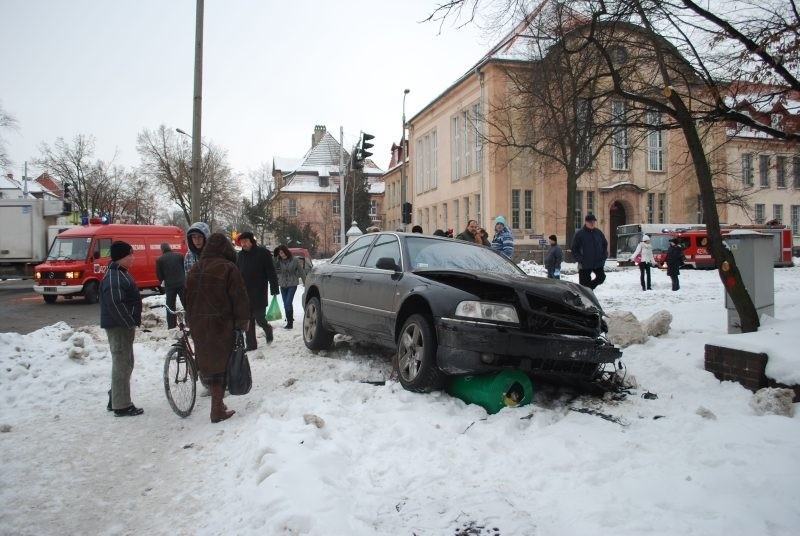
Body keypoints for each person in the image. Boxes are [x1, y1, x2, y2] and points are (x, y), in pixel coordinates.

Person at [185, 233, 250, 423]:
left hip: (199, 324)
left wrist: (191, 320)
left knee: (208, 363)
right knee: (222, 366)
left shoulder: (195, 269)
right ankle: (216, 410)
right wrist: (242, 322)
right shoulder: (228, 268)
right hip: (222, 324)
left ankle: (218, 404)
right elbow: (239, 298)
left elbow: (187, 298)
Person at [100, 241, 144, 417]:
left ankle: (116, 397)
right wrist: (128, 322)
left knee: (125, 363)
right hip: (119, 327)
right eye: (130, 255)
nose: (133, 257)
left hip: (121, 326)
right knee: (122, 364)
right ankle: (121, 405)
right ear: (121, 257)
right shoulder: (115, 277)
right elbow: (115, 304)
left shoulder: (119, 274)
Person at [236, 231, 279, 350]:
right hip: (244, 293)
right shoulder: (240, 256)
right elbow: (237, 273)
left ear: (251, 241)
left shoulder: (263, 253)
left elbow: (271, 271)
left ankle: (267, 328)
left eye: (245, 241)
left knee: (260, 318)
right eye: (242, 242)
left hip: (259, 291)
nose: (243, 244)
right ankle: (251, 345)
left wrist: (274, 288)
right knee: (248, 320)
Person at [571, 214, 608, 290]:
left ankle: (589, 290)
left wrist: (604, 256)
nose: (592, 223)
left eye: (594, 221)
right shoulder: (579, 234)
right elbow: (574, 248)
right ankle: (585, 294)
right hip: (585, 263)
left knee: (601, 277)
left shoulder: (598, 232)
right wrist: (580, 259)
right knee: (584, 284)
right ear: (586, 222)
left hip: (598, 262)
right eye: (590, 222)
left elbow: (604, 244)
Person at [273, 245, 306, 330]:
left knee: (288, 303)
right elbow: (274, 269)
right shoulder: (278, 261)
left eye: (282, 252)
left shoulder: (294, 260)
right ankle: (289, 318)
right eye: (280, 253)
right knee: (285, 303)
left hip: (292, 284)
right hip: (282, 284)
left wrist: (306, 283)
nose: (281, 254)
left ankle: (290, 323)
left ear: (285, 251)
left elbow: (301, 271)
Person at [155, 242, 185, 328]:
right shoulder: (179, 255)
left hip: (170, 285)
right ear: (169, 247)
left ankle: (171, 326)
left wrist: (162, 281)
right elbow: (184, 268)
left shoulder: (159, 259)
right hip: (182, 283)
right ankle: (190, 322)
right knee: (186, 304)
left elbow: (159, 274)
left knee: (170, 306)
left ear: (162, 249)